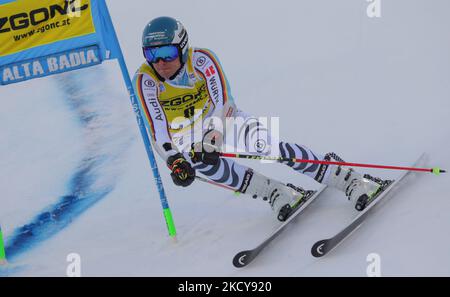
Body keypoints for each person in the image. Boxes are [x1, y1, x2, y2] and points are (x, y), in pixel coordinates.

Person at [132, 16, 386, 221]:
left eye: (167, 52)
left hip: (221, 119)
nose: (161, 62)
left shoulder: (201, 60)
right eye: (152, 54)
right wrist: (175, 161)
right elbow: (158, 129)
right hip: (185, 134)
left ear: (183, 47)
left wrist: (213, 138)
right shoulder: (146, 80)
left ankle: (348, 179)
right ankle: (275, 192)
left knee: (266, 147)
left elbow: (225, 103)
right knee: (208, 167)